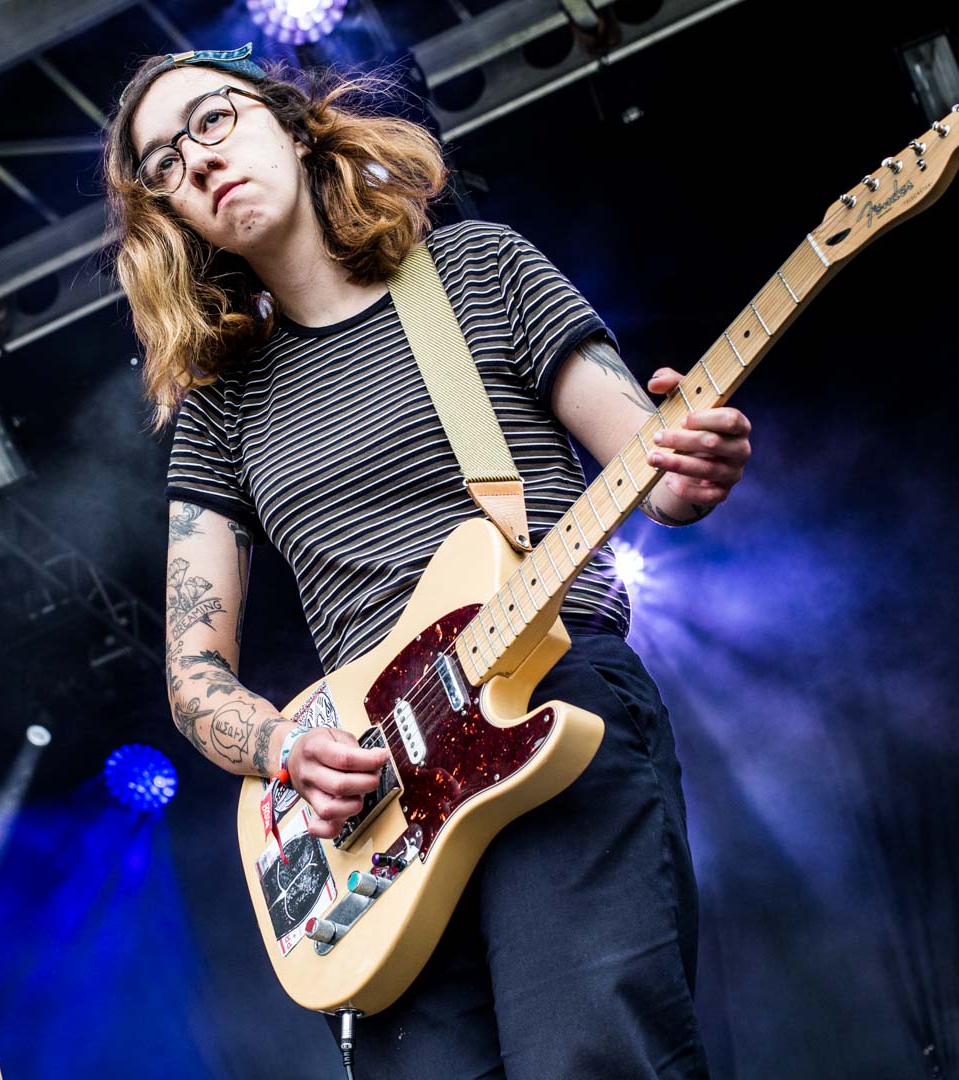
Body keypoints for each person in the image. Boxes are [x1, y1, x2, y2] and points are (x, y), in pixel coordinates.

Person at [103, 43, 751, 1080]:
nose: (199, 159)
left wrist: (690, 460)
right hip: (377, 804)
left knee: (590, 1058)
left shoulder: (480, 268)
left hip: (550, 696)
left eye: (213, 120)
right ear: (169, 214)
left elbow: (655, 472)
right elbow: (192, 673)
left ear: (291, 123)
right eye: (164, 164)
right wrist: (285, 748)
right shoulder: (218, 411)